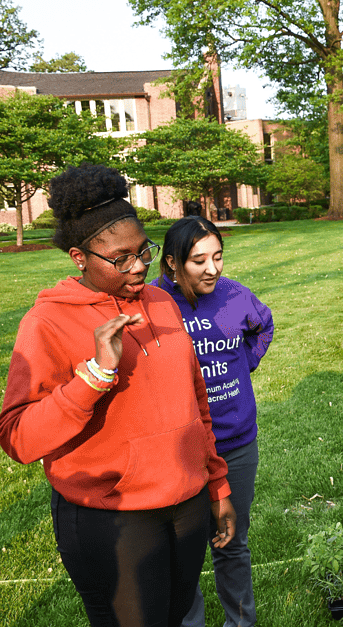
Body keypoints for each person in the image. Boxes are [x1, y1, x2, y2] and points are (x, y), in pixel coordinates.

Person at [0, 164, 235, 627]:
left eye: (143, 251)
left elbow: (196, 402)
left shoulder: (162, 301)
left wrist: (217, 484)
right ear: (79, 257)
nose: (140, 266)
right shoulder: (47, 322)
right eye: (120, 258)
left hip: (185, 505)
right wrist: (94, 375)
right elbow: (17, 438)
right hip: (113, 518)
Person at [153, 216, 274, 627]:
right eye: (198, 260)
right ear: (171, 263)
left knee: (231, 542)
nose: (212, 269)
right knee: (182, 553)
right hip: (179, 450)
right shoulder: (152, 304)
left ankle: (241, 623)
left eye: (218, 256)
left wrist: (243, 364)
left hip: (236, 442)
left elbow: (263, 326)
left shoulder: (235, 296)